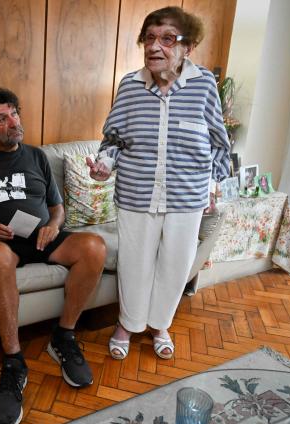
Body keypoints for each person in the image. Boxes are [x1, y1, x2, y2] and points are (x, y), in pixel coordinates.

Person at [0, 88, 106, 424]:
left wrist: (53, 225)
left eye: (14, 114)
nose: (12, 122)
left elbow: (58, 208)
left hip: (39, 238)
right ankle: (14, 360)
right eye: (1, 119)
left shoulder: (36, 157)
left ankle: (63, 337)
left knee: (94, 247)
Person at [87, 7, 230, 361]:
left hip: (187, 196)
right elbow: (113, 140)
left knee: (175, 266)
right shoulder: (131, 86)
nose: (155, 47)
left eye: (167, 38)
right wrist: (104, 165)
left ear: (187, 47)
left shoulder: (203, 86)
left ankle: (160, 324)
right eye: (149, 38)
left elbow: (219, 142)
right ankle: (127, 324)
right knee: (134, 263)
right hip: (136, 193)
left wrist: (215, 184)